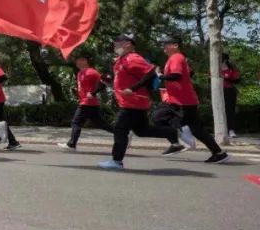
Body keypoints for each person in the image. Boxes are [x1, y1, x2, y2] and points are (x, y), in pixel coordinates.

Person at [97, 34, 182, 170]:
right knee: (142, 130)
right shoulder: (121, 59)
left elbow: (151, 73)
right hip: (133, 102)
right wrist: (108, 81)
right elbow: (123, 78)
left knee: (119, 129)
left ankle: (116, 161)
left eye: (118, 42)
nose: (115, 45)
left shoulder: (133, 58)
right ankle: (171, 132)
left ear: (128, 44)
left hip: (134, 102)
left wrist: (132, 88)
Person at [154, 37, 228, 163]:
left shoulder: (176, 57)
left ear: (175, 45)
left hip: (182, 100)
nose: (163, 47)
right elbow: (189, 73)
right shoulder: (178, 58)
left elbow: (176, 75)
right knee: (196, 129)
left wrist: (160, 76)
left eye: (166, 44)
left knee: (159, 117)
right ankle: (218, 153)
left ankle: (180, 138)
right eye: (163, 45)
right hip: (181, 99)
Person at [58, 53, 113, 150]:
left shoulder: (91, 72)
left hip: (87, 102)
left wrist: (93, 93)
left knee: (76, 122)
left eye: (79, 60)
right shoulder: (80, 73)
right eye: (76, 60)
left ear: (85, 61)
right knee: (101, 124)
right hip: (89, 103)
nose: (77, 62)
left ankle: (71, 144)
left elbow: (104, 82)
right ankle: (122, 133)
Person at [220, 53, 241, 139]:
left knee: (230, 111)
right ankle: (221, 130)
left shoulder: (231, 69)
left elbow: (237, 80)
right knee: (220, 110)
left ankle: (231, 130)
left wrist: (225, 78)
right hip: (218, 91)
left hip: (229, 91)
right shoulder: (214, 68)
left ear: (225, 59)